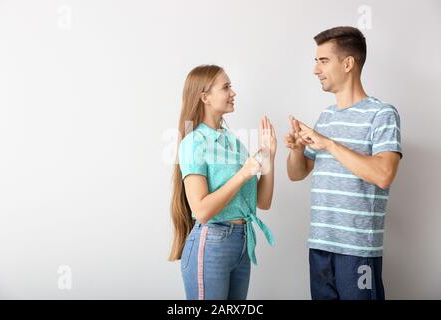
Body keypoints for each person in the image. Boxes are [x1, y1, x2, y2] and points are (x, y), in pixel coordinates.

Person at [285, 26, 402, 300]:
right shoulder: (326, 117)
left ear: (348, 63)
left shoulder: (382, 114)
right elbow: (297, 174)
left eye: (323, 60)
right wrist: (296, 150)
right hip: (320, 246)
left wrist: (328, 144)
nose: (315, 69)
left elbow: (384, 174)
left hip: (357, 251)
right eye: (316, 61)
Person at [169, 65, 276, 300]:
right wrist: (244, 173)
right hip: (212, 243)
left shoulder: (233, 142)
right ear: (205, 97)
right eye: (226, 87)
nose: (233, 93)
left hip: (242, 242)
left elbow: (264, 202)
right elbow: (201, 211)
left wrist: (269, 157)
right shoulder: (194, 143)